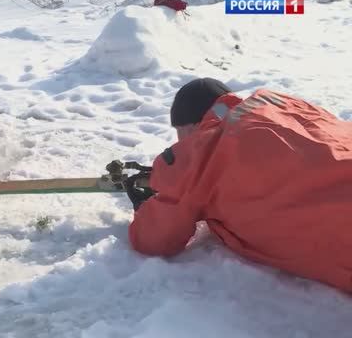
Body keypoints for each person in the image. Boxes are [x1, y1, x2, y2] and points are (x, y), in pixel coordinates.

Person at [124, 77, 352, 292]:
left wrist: (150, 200)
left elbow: (153, 240)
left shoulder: (200, 152)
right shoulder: (277, 101)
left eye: (180, 134)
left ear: (191, 127)